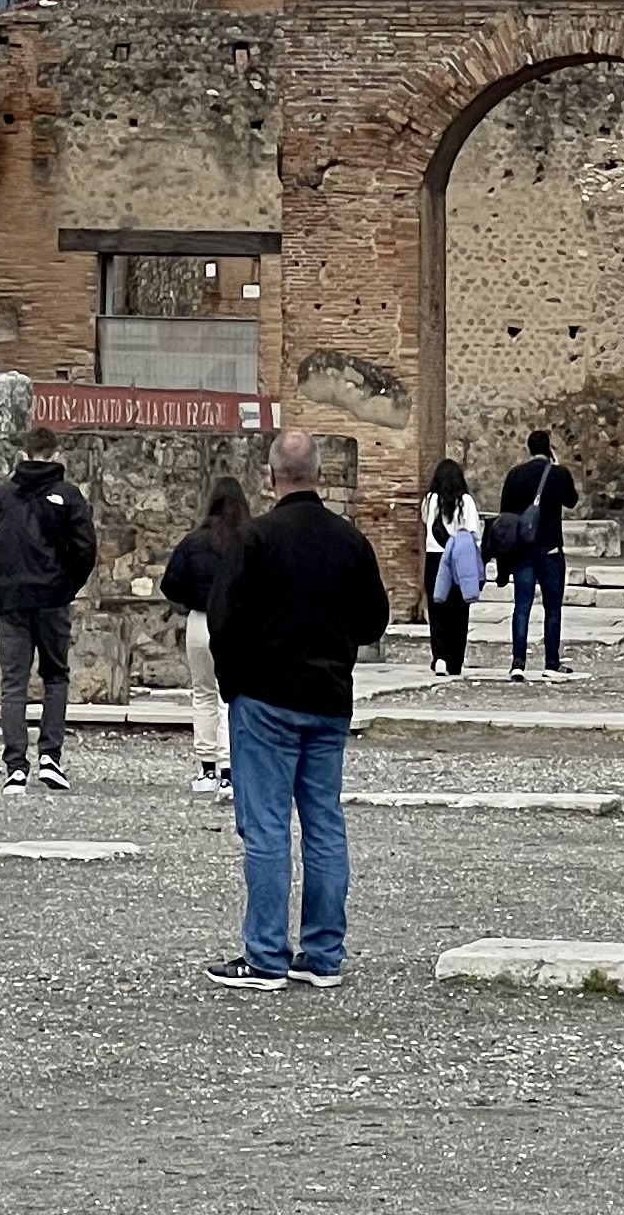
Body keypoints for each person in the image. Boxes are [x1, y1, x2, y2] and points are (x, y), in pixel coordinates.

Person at [204, 423, 391, 988]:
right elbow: (373, 621)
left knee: (265, 829)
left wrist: (233, 686)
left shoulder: (255, 540)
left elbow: (224, 620)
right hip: (328, 699)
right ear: (321, 475)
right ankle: (323, 955)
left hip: (265, 698)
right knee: (325, 825)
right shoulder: (350, 541)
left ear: (271, 477)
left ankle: (265, 955)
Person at [0, 420, 99, 797]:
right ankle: (50, 757)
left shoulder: (2, 497)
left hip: (9, 599)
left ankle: (14, 766)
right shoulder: (69, 496)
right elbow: (85, 550)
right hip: (51, 599)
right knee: (55, 676)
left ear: (22, 454)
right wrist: (66, 586)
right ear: (56, 455)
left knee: (13, 683)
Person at [160, 473, 250, 802]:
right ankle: (229, 771)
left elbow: (169, 584)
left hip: (199, 620)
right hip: (237, 622)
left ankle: (206, 768)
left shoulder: (194, 541)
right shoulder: (247, 540)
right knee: (231, 696)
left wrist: (189, 601)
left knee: (202, 694)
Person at [498, 425, 580, 678]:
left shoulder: (515, 475)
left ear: (529, 449)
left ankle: (518, 662)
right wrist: (558, 465)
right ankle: (551, 663)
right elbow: (572, 501)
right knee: (552, 608)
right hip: (551, 549)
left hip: (522, 551)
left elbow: (505, 515)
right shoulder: (558, 474)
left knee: (521, 607)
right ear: (549, 449)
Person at [419, 455, 481, 680]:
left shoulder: (429, 501)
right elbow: (474, 534)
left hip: (435, 559)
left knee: (437, 611)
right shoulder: (466, 502)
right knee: (459, 611)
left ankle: (440, 657)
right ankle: (455, 659)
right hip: (459, 559)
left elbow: (427, 524)